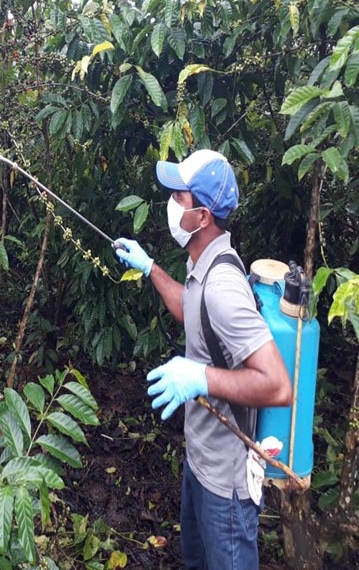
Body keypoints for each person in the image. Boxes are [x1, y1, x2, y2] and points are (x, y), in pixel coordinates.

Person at [113, 148, 290, 570]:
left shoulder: (223, 286)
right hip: (200, 462)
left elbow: (278, 385)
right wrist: (151, 267)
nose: (171, 204)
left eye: (179, 197)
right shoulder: (203, 267)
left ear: (203, 217)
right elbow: (191, 307)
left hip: (226, 484)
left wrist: (201, 378)